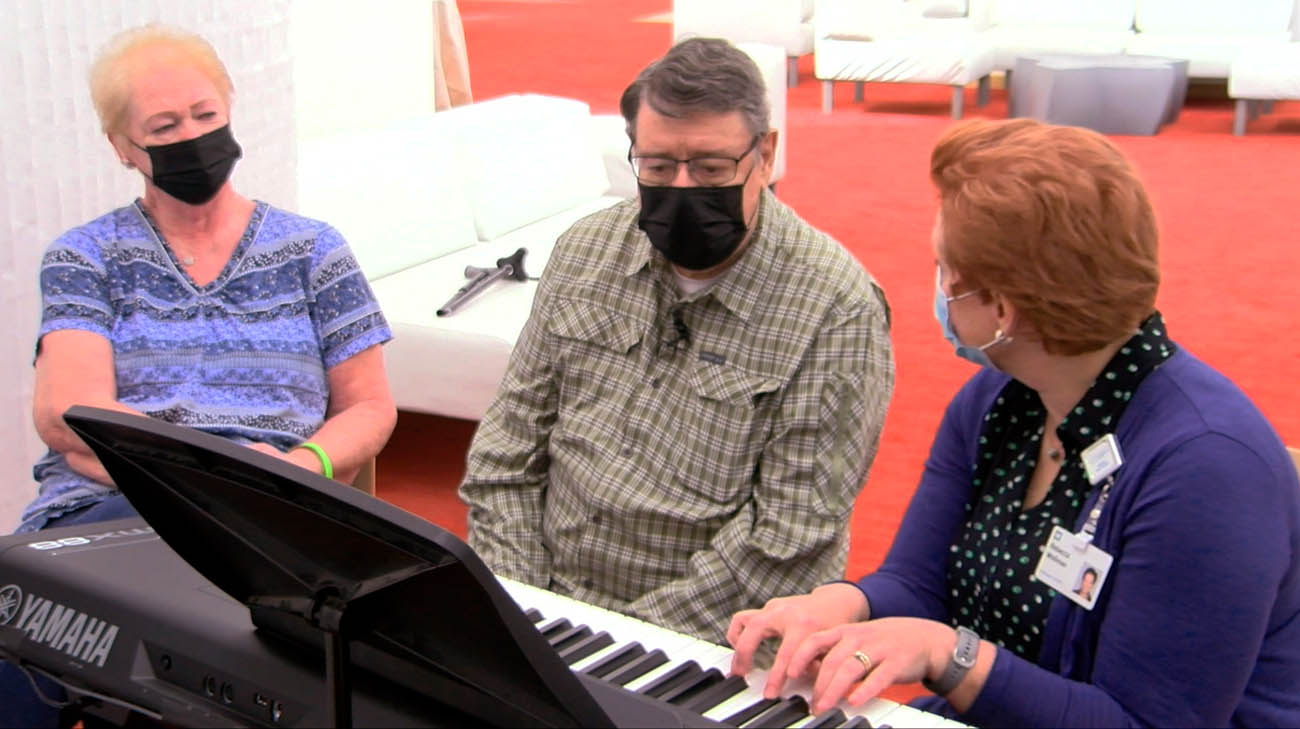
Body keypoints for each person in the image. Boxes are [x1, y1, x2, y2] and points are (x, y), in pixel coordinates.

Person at [726, 119, 1300, 727]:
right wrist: (842, 604)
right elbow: (921, 581)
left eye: (946, 272)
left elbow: (1143, 723)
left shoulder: (1207, 468)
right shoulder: (1000, 401)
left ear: (1003, 310)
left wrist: (949, 655)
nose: (939, 289)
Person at [3, 24, 397, 727]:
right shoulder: (86, 256)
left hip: (268, 510)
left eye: (204, 115)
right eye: (163, 125)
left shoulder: (313, 251)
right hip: (114, 510)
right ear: (125, 148)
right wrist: (201, 478)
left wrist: (297, 464)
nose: (191, 135)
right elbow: (68, 416)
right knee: (20, 630)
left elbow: (369, 407)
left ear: (230, 110)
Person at [459, 37, 894, 644]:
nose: (683, 188)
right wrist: (522, 607)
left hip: (702, 637)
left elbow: (787, 539)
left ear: (765, 155)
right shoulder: (587, 252)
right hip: (542, 602)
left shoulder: (836, 308)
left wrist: (611, 648)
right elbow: (508, 449)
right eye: (659, 167)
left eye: (712, 169)